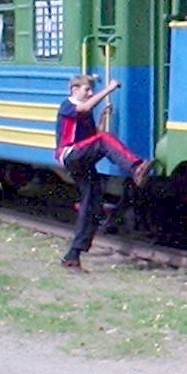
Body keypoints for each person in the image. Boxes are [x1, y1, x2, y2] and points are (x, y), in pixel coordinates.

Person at [56, 74, 152, 272]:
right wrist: (109, 88)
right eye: (86, 89)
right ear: (74, 90)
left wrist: (101, 119)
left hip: (81, 156)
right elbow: (85, 110)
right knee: (104, 139)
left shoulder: (85, 113)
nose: (90, 92)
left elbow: (92, 137)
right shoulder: (68, 105)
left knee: (91, 202)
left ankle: (73, 256)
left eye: (91, 89)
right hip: (70, 154)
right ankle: (135, 168)